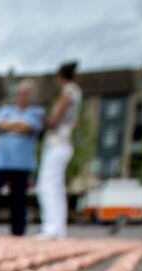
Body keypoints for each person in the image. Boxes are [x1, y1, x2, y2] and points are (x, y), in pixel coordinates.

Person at [0, 79, 44, 237]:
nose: (23, 96)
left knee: (18, 198)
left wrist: (9, 126)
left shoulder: (37, 112)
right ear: (16, 95)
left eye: (26, 94)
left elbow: (29, 128)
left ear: (31, 96)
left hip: (22, 163)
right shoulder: (6, 110)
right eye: (21, 93)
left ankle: (18, 231)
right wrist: (18, 126)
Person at [37, 61, 82, 239]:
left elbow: (54, 121)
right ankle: (59, 228)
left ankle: (51, 227)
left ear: (60, 77)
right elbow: (74, 123)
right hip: (65, 142)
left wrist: (43, 118)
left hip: (57, 143)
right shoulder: (77, 92)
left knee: (47, 185)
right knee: (57, 186)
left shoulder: (68, 92)